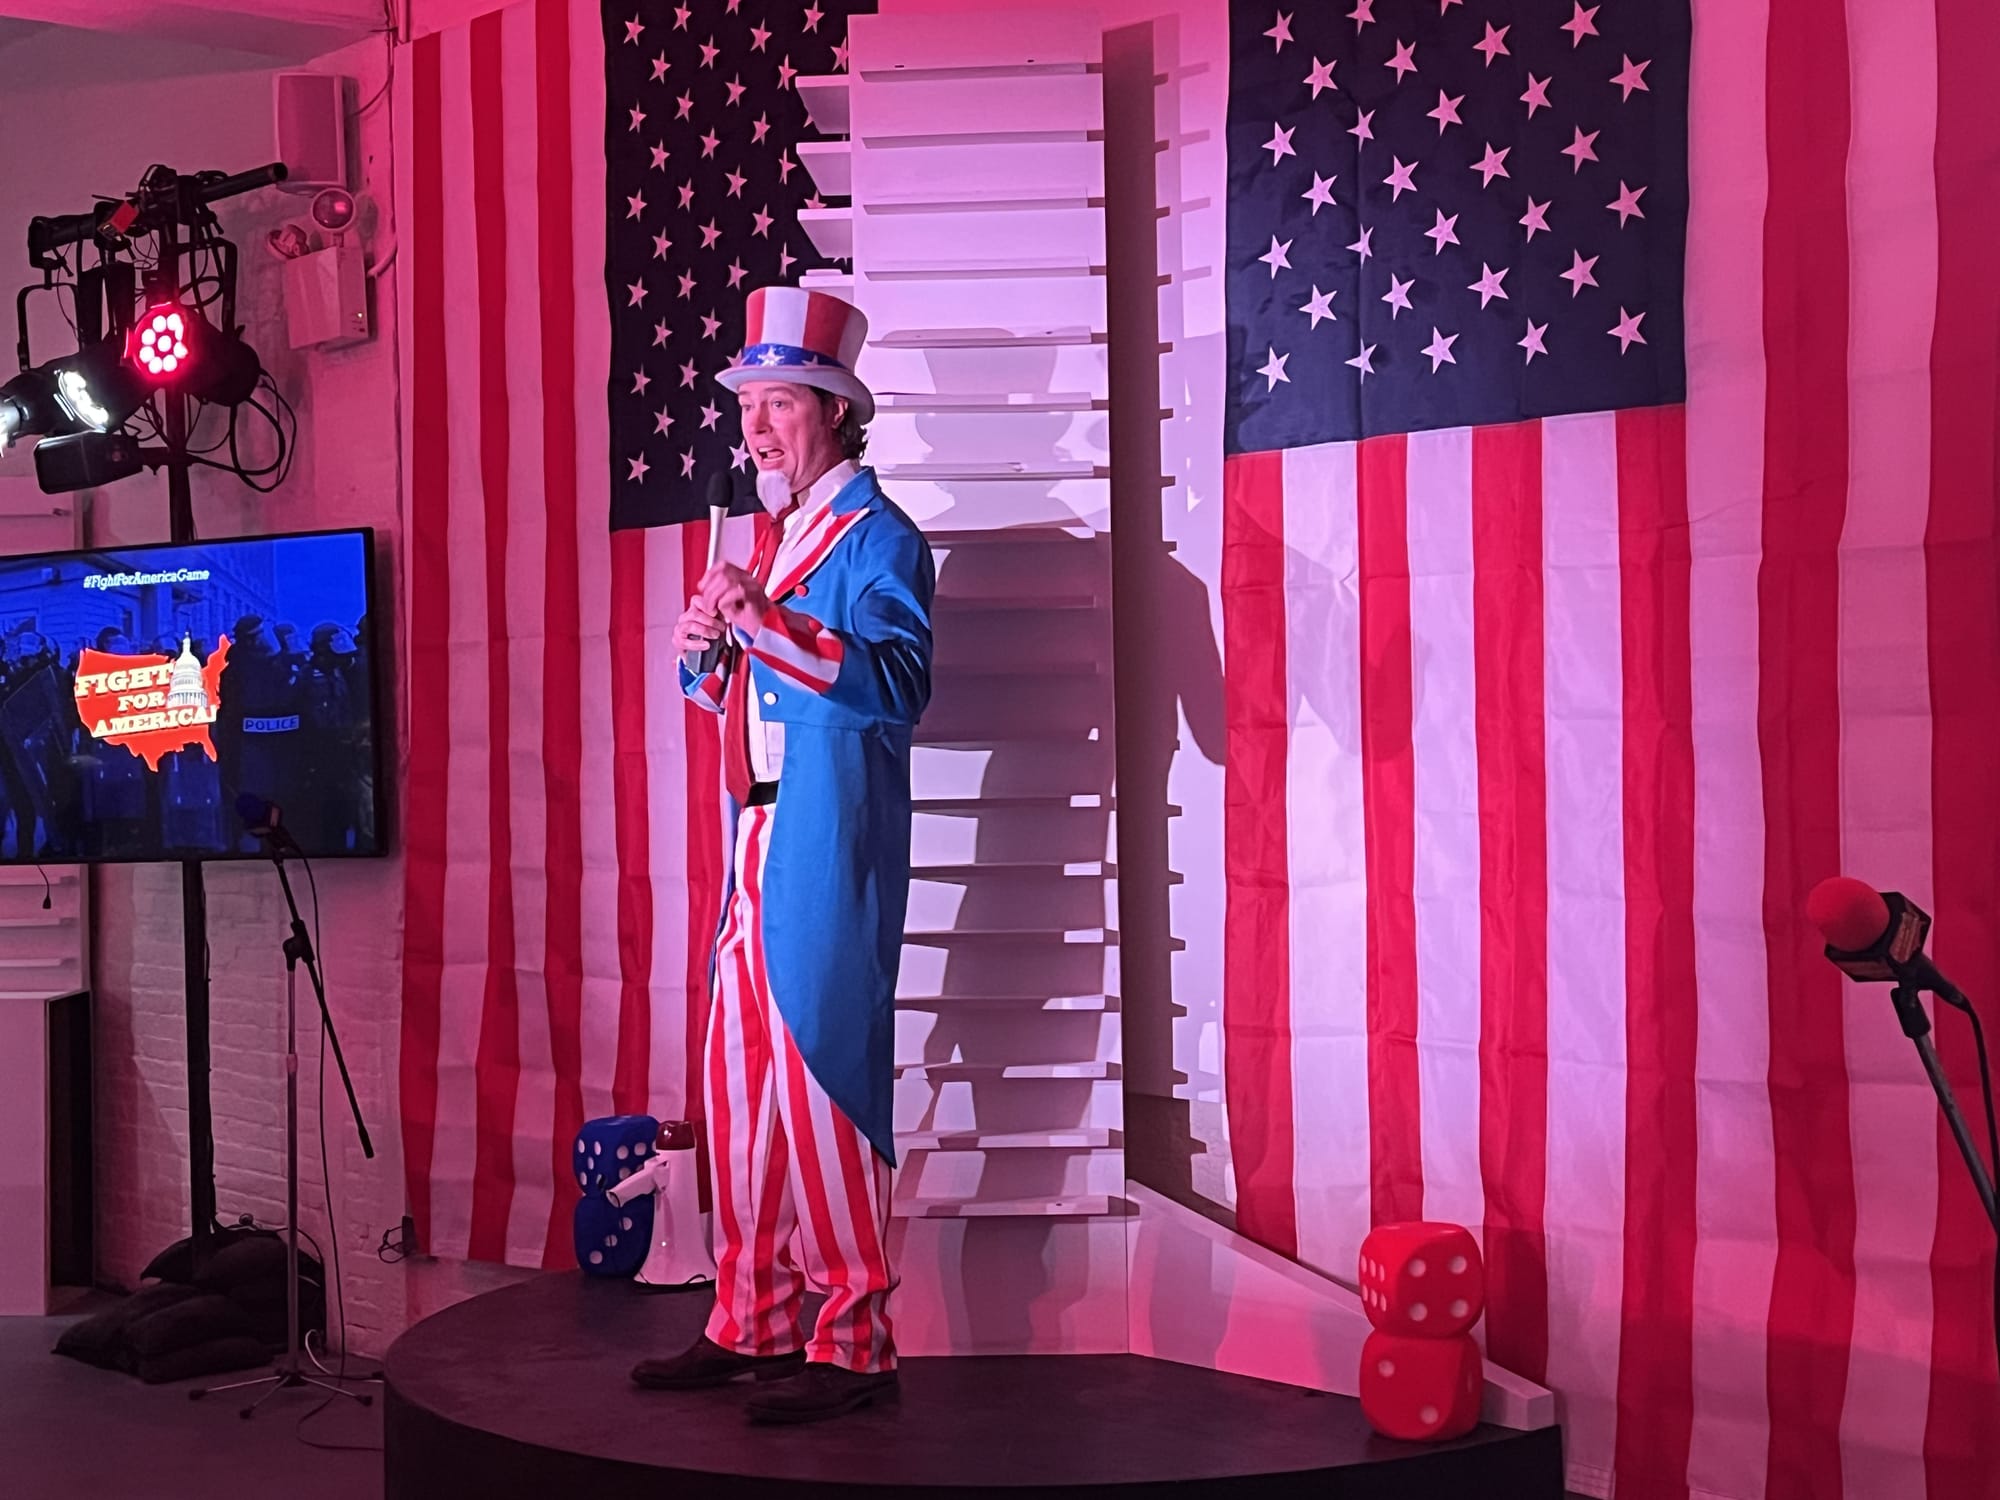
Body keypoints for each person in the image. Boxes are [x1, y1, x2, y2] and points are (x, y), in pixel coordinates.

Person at [631, 285, 934, 1424]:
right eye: (748, 405)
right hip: (753, 832)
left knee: (822, 1081)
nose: (756, 428)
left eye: (780, 404)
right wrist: (706, 657)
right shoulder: (775, 535)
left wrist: (764, 623)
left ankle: (853, 1339)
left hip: (829, 839)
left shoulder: (879, 538)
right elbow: (752, 703)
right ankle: (751, 1317)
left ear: (836, 411)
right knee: (740, 1082)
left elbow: (895, 685)